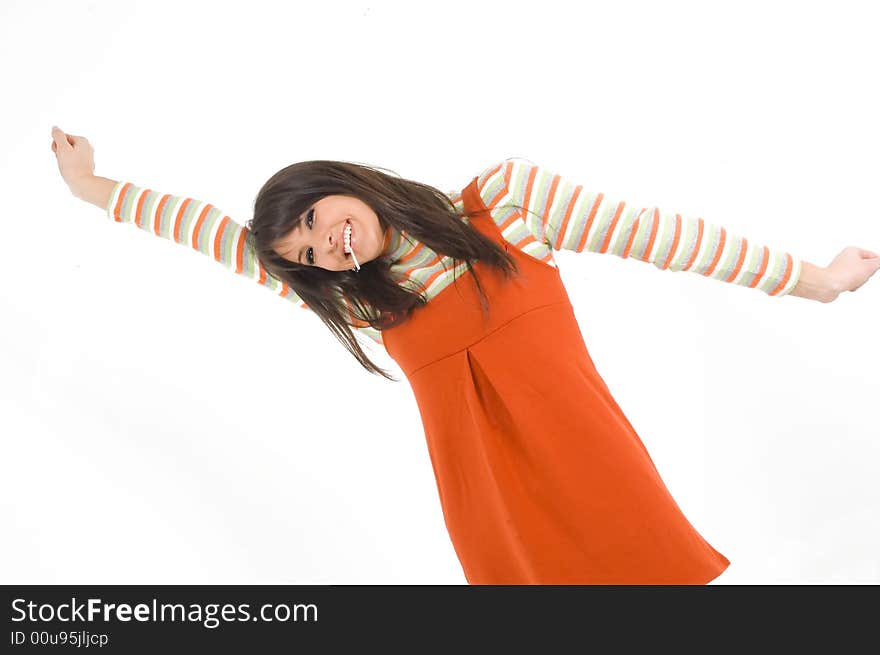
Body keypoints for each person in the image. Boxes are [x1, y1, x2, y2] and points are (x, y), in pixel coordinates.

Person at [50, 126, 880, 584]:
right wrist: (94, 190)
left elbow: (665, 238)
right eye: (303, 256)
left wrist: (816, 281)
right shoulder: (361, 299)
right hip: (494, 526)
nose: (321, 247)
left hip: (603, 481)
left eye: (310, 219)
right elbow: (206, 231)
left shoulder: (507, 204)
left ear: (338, 179)